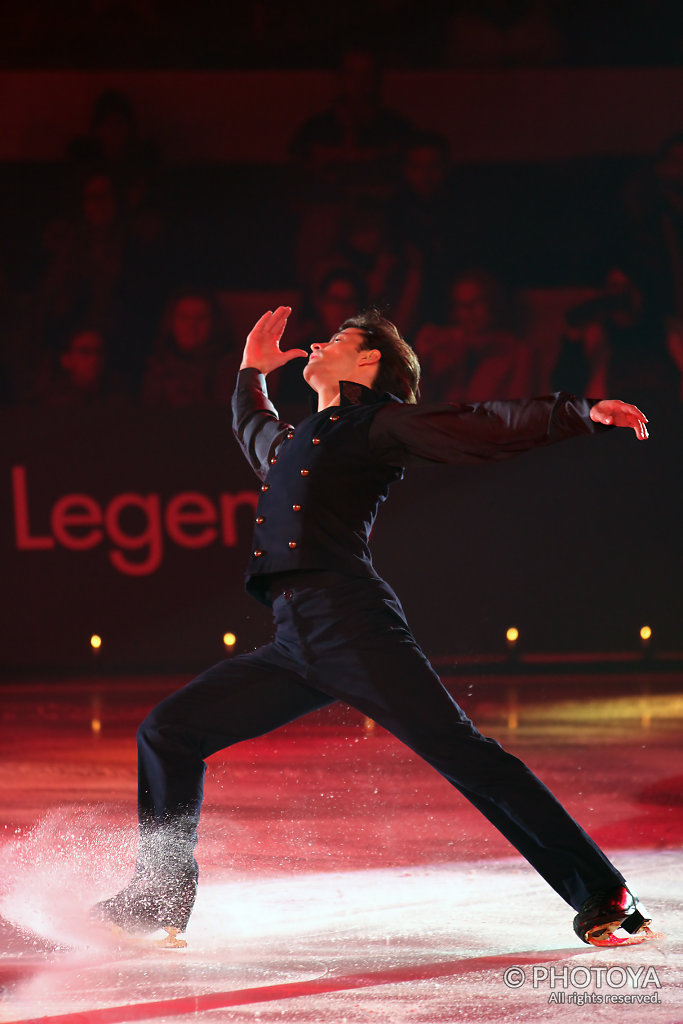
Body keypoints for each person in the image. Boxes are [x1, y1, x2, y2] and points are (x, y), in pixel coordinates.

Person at [94, 306, 655, 950]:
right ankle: (158, 900)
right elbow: (254, 429)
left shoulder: (379, 424)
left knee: (466, 756)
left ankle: (605, 894)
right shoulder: (297, 443)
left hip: (350, 621)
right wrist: (249, 370)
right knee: (169, 731)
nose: (319, 343)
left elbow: (480, 425)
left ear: (368, 362)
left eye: (338, 339)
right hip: (295, 637)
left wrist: (580, 412)